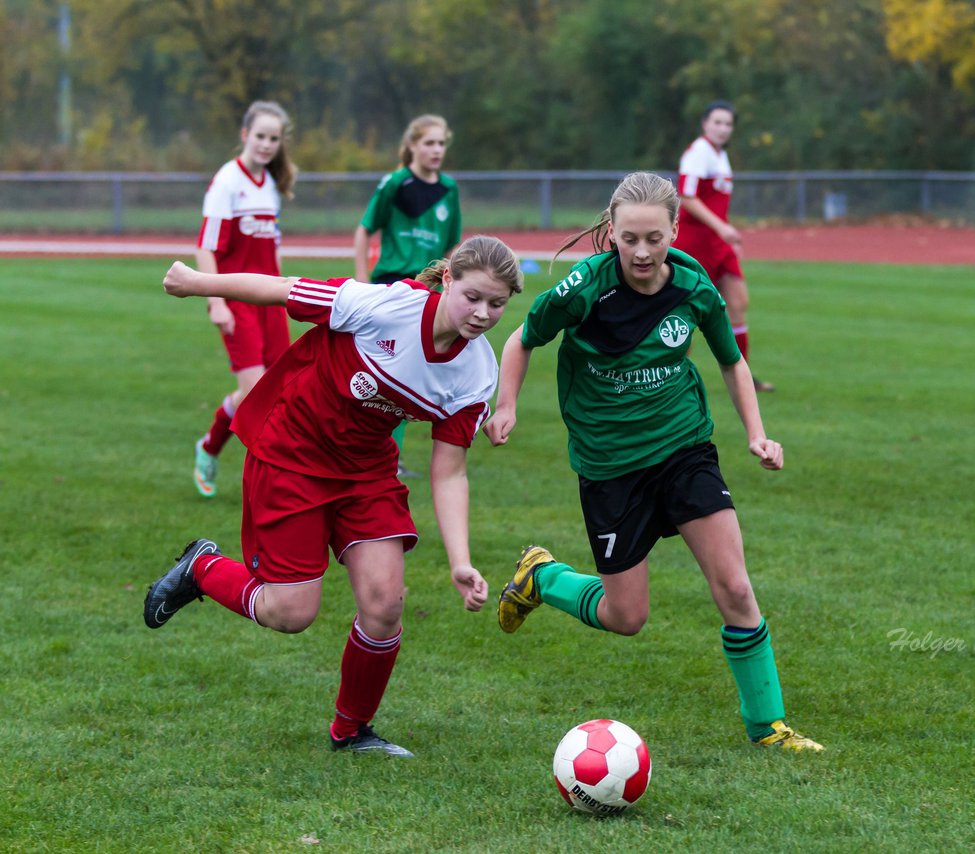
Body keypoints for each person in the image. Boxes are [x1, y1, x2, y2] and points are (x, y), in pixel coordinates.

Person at [144, 235, 523, 756]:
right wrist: (197, 283)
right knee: (289, 613)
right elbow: (280, 289)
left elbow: (450, 471)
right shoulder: (383, 306)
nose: (482, 313)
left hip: (366, 472)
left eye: (497, 304)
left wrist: (461, 561)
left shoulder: (477, 372)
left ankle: (351, 732)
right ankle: (202, 569)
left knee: (385, 604)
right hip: (292, 455)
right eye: (473, 297)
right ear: (449, 280)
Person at [485, 171, 822, 752]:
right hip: (611, 465)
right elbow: (522, 339)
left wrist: (757, 435)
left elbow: (731, 361)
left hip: (684, 449)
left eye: (655, 238)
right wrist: (507, 403)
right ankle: (542, 576)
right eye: (630, 238)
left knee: (736, 589)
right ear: (611, 231)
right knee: (627, 617)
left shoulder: (692, 284)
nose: (642, 252)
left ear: (673, 231)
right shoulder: (583, 288)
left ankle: (768, 726)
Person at [192, 100, 299, 498]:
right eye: (260, 136)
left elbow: (271, 249)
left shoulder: (269, 184)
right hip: (237, 298)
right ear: (244, 135)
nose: (267, 144)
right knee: (256, 393)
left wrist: (287, 293)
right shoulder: (226, 182)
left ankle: (210, 443)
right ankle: (273, 482)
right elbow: (206, 246)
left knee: (278, 389)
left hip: (269, 298)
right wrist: (216, 301)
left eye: (274, 138)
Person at [354, 114, 463, 479]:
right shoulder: (396, 183)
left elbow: (452, 244)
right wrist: (362, 280)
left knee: (413, 371)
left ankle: (389, 456)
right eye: (429, 143)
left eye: (441, 143)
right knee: (383, 368)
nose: (436, 150)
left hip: (429, 290)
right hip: (392, 285)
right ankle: (380, 453)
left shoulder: (449, 189)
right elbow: (364, 229)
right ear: (412, 145)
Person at [672, 99, 774, 393]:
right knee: (684, 314)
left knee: (738, 303)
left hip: (717, 243)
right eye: (717, 122)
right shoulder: (698, 153)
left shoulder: (719, 155)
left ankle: (744, 377)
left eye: (728, 123)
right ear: (705, 124)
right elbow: (687, 198)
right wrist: (722, 228)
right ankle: (671, 377)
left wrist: (725, 235)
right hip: (695, 244)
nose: (722, 128)